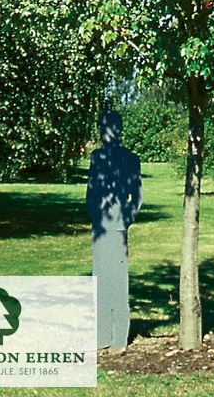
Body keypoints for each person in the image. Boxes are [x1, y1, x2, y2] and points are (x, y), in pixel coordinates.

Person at [86, 110, 142, 352]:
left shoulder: (130, 159)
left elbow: (137, 196)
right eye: (101, 127)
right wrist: (95, 215)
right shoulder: (97, 157)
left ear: (118, 129)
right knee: (100, 281)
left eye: (108, 127)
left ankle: (120, 338)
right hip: (99, 228)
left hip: (118, 228)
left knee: (118, 282)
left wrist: (126, 219)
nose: (104, 131)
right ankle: (101, 336)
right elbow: (91, 190)